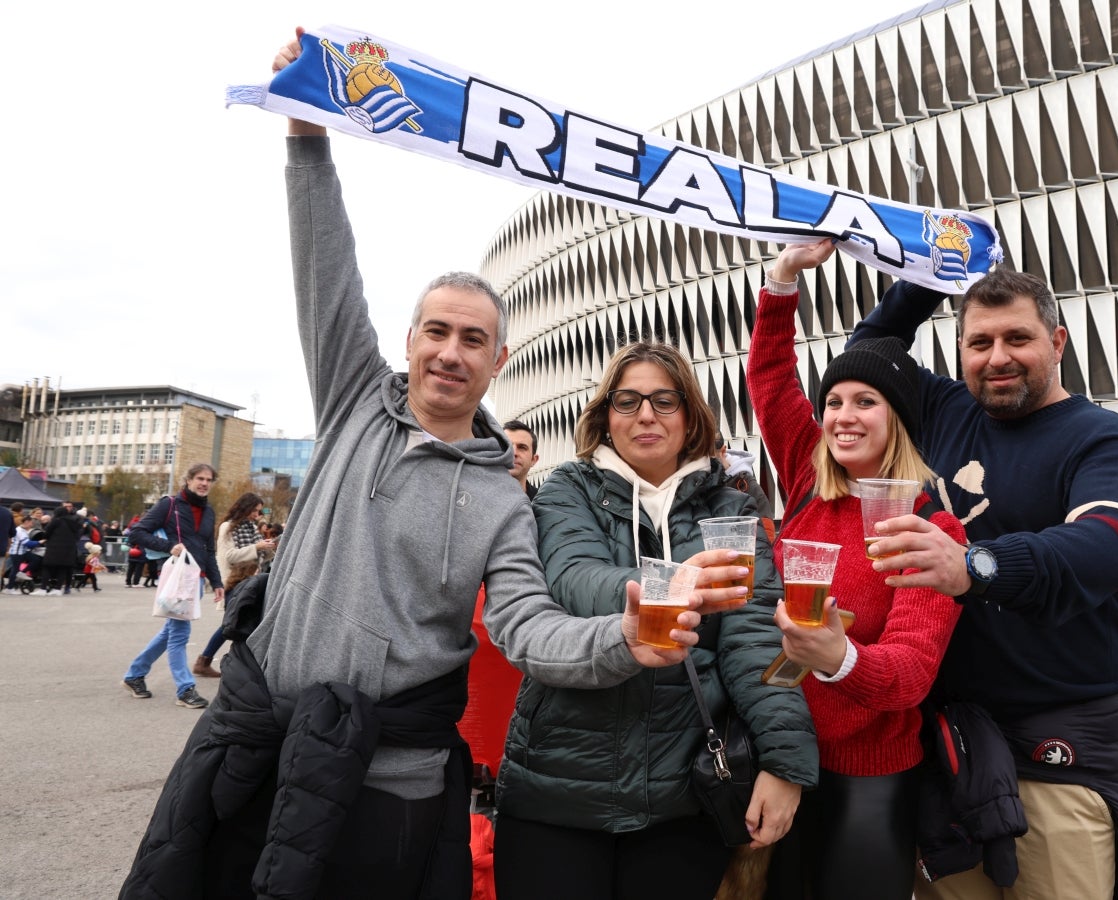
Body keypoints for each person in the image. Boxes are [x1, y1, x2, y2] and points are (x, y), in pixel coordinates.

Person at [120, 29, 705, 900]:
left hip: (387, 779)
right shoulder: (354, 399)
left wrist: (619, 638)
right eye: (436, 331)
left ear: (499, 362)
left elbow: (527, 627)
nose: (450, 352)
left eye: (473, 339)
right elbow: (325, 270)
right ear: (409, 341)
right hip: (255, 742)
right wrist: (307, 133)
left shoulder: (505, 501)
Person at [794, 241, 1118, 899]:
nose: (997, 358)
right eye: (979, 342)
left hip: (1052, 749)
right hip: (943, 745)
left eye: (1017, 338)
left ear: (1057, 342)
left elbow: (1108, 546)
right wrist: (933, 270)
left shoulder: (1102, 439)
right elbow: (871, 350)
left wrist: (975, 565)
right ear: (960, 349)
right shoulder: (945, 410)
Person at [493, 339, 818, 900]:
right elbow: (575, 580)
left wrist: (786, 764)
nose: (646, 414)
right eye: (628, 401)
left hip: (683, 794)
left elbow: (755, 641)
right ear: (606, 416)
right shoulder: (569, 490)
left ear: (690, 416)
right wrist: (676, 586)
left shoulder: (730, 508)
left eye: (665, 401)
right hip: (556, 789)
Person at [746, 245, 964, 899]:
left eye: (865, 401)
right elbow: (770, 377)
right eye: (834, 401)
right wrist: (783, 278)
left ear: (898, 416)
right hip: (779, 755)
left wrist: (838, 658)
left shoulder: (930, 528)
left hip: (871, 775)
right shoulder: (807, 478)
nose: (842, 416)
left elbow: (910, 674)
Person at [119, 464, 225, 710]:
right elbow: (136, 533)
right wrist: (169, 547)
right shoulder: (169, 505)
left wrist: (217, 581)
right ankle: (185, 689)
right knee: (179, 634)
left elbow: (209, 550)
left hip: (195, 579)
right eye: (200, 478)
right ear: (188, 479)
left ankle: (135, 675)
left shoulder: (208, 511)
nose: (204, 483)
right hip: (176, 578)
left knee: (170, 632)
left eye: (209, 479)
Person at [194, 492, 277, 678]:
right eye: (255, 511)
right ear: (245, 508)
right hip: (233, 582)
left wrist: (268, 548)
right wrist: (257, 547)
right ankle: (208, 661)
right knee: (233, 624)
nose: (257, 515)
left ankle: (210, 661)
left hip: (249, 581)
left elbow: (257, 557)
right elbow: (229, 556)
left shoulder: (251, 528)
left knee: (238, 623)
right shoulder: (228, 527)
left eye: (259, 511)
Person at [40, 505, 82, 596]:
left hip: (54, 547)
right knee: (62, 568)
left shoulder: (56, 521)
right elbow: (78, 536)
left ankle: (43, 588)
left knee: (47, 567)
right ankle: (58, 589)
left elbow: (47, 533)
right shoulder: (74, 523)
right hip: (69, 549)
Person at [501, 419, 540, 498]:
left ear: (533, 460)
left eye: (522, 447)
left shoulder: (543, 502)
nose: (514, 453)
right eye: (506, 446)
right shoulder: (477, 497)